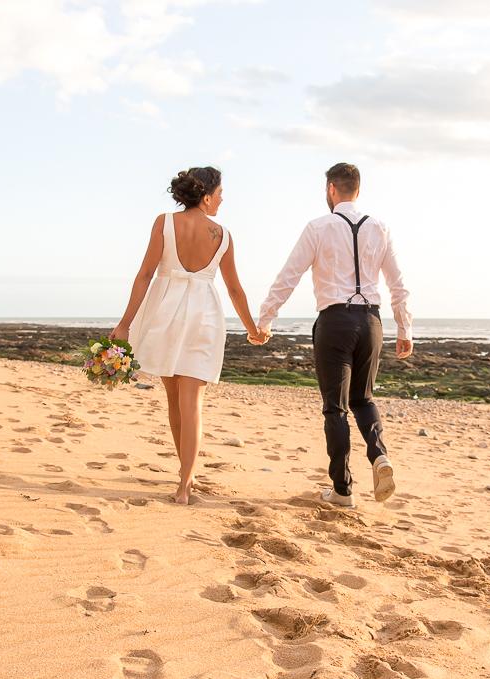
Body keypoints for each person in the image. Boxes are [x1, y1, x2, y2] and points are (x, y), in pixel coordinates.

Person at [257, 162, 413, 508]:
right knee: (364, 399)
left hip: (334, 322)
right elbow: (398, 284)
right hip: (371, 323)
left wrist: (265, 320)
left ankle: (342, 490)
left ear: (331, 189)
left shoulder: (318, 227)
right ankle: (379, 455)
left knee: (336, 409)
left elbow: (289, 276)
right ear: (358, 189)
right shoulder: (380, 228)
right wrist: (405, 328)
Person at [111, 167, 267, 505]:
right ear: (207, 195)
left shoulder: (164, 222)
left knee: (174, 399)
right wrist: (252, 329)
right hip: (204, 316)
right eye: (220, 194)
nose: (222, 200)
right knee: (192, 400)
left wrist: (125, 323)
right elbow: (235, 289)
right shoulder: (222, 235)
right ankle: (185, 483)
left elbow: (145, 275)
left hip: (165, 313)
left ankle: (186, 475)